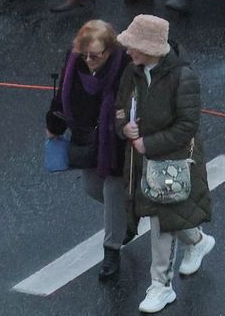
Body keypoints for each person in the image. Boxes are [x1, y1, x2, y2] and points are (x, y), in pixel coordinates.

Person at [115, 15, 215, 314]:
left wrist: (149, 143)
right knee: (168, 216)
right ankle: (197, 241)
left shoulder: (184, 78)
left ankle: (161, 285)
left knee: (160, 219)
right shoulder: (132, 71)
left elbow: (187, 126)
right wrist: (124, 128)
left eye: (133, 46)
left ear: (150, 49)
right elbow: (120, 109)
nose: (128, 51)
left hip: (175, 160)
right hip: (143, 159)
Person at [46, 20, 131, 281]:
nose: (89, 60)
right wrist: (54, 124)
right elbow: (63, 94)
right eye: (85, 54)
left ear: (110, 49)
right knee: (93, 189)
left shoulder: (124, 67)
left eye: (95, 56)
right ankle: (130, 214)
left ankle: (111, 251)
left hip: (115, 138)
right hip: (86, 136)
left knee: (111, 189)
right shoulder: (75, 62)